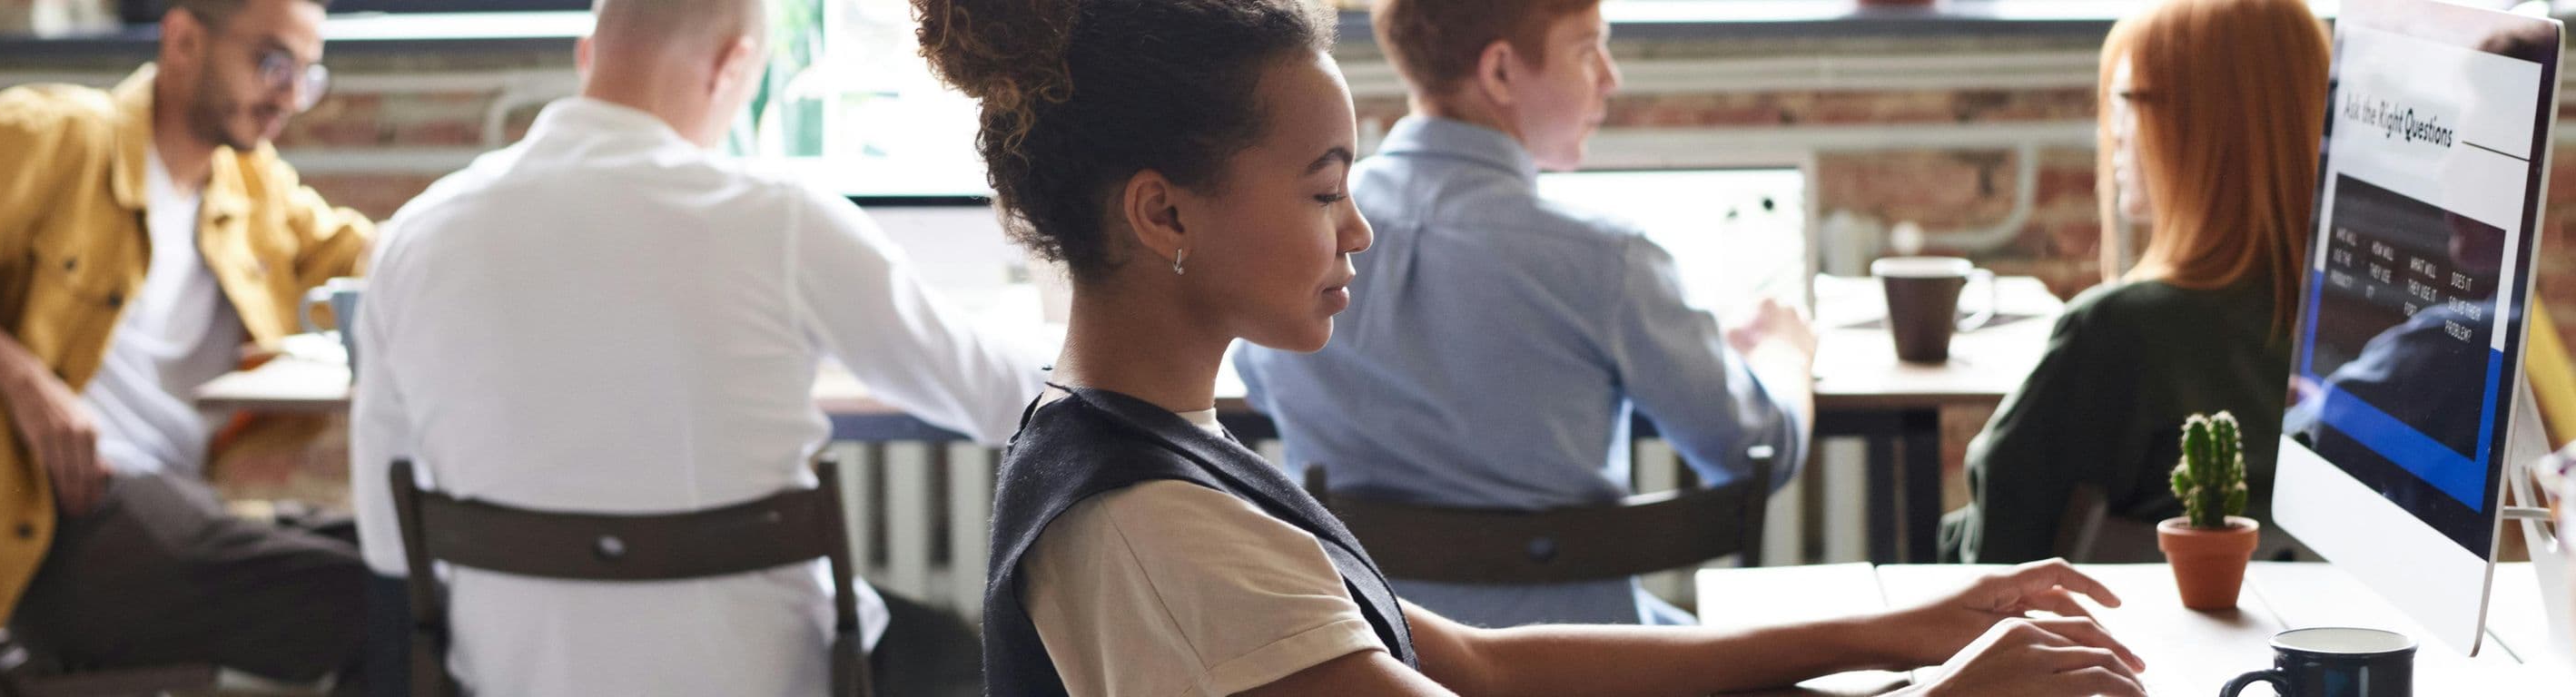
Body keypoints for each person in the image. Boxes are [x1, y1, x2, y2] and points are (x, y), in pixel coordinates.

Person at [923, 0, 2147, 694]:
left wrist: (1896, 633)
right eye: (1319, 192)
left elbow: (1485, 665)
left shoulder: (1144, 446)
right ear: (1162, 211)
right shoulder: (1155, 531)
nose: (1358, 227)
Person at [346, 0, 1045, 693]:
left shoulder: (413, 236)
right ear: (732, 65)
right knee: (959, 654)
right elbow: (996, 397)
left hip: (512, 674)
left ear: (587, 55)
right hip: (763, 673)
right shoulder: (780, 216)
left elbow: (386, 539)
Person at [1229, 0, 1814, 627]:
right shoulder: (1607, 258)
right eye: (1589, 49)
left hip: (1370, 649)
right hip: (1592, 663)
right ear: (1502, 72)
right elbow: (1754, 451)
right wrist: (1784, 351)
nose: (1611, 77)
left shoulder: (1299, 232)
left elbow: (1263, 378)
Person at [0, 0, 370, 683]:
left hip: (168, 500)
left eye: (307, 73)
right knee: (376, 603)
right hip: (46, 526)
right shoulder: (56, 134)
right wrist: (26, 384)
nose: (291, 96)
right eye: (271, 62)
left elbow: (363, 255)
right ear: (183, 39)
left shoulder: (249, 182)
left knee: (419, 563)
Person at [1940, 0, 2329, 564]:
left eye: (2129, 103)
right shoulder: (2375, 328)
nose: (2114, 134)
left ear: (2207, 124)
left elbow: (2001, 551)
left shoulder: (2115, 332)